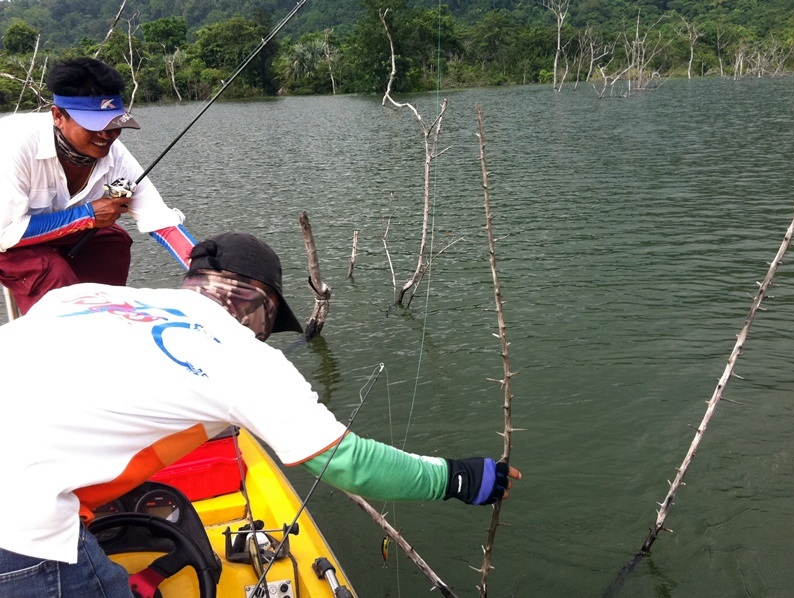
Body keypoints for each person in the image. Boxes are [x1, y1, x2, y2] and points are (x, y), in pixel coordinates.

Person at [0, 231, 521, 597]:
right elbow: (350, 463)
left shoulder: (88, 297)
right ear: (258, 304)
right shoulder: (241, 355)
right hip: (20, 528)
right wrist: (460, 478)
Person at [0, 57, 196, 315]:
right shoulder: (14, 144)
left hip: (46, 232)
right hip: (6, 238)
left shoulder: (115, 158)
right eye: (93, 124)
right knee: (51, 271)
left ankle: (102, 318)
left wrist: (205, 268)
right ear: (58, 116)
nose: (107, 135)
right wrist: (87, 215)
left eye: (115, 123)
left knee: (112, 242)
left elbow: (159, 219)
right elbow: (7, 233)